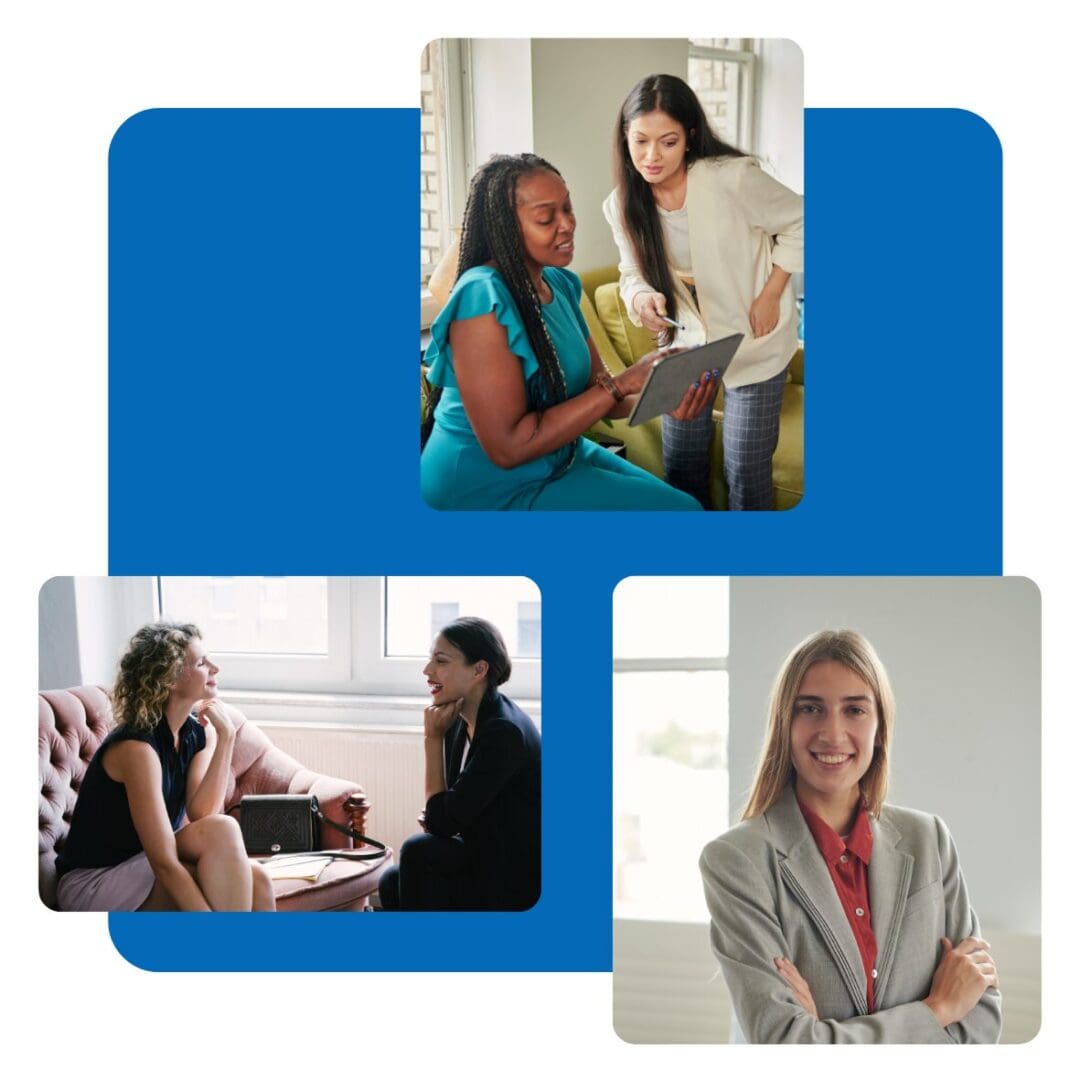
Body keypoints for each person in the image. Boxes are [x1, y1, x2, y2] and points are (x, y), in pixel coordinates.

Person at [699, 630, 1002, 1043]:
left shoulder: (929, 839)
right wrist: (939, 1009)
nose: (833, 733)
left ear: (880, 729)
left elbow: (981, 1021)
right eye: (810, 709)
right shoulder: (738, 859)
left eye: (855, 710)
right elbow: (783, 1044)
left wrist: (825, 1034)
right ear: (784, 725)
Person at [421, 152, 710, 511]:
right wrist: (624, 382)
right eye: (546, 217)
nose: (567, 224)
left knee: (684, 506)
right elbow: (508, 448)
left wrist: (666, 399)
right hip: (485, 482)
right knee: (682, 515)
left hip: (559, 454)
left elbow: (600, 391)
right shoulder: (482, 297)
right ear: (506, 229)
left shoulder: (560, 284)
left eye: (568, 209)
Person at [604, 74, 804, 510]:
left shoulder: (731, 179)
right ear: (625, 137)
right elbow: (630, 273)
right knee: (680, 468)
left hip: (755, 342)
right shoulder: (621, 204)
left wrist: (771, 294)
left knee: (746, 474)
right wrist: (641, 299)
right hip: (686, 349)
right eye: (640, 141)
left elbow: (802, 220)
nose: (651, 156)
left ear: (690, 137)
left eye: (668, 142)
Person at [56, 621, 275, 912]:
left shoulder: (193, 733)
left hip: (140, 863)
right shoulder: (136, 748)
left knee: (258, 877)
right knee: (227, 873)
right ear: (170, 679)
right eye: (201, 662)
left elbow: (204, 815)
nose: (215, 668)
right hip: (95, 881)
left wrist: (226, 738)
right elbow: (164, 863)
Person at [379, 617, 540, 910]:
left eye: (440, 661)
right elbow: (445, 813)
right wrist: (440, 815)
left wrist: (432, 739)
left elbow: (440, 821)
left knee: (418, 851)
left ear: (479, 670)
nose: (427, 671)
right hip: (483, 853)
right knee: (391, 880)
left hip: (512, 874)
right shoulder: (459, 719)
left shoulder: (504, 732)